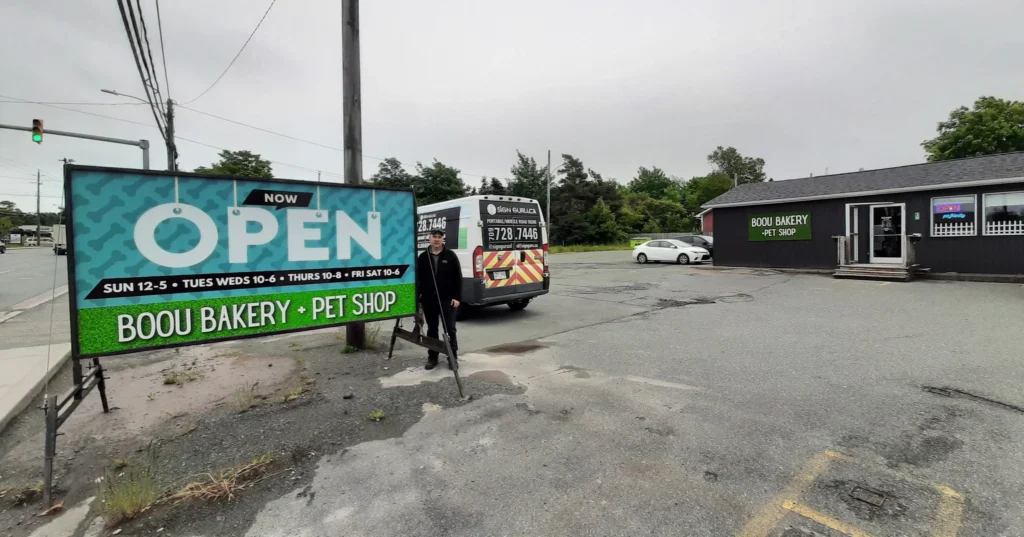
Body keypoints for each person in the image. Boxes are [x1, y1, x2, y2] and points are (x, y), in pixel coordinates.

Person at [416, 228, 462, 370]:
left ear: (443, 239)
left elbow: (458, 278)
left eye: (439, 237)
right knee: (432, 329)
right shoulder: (423, 257)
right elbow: (418, 279)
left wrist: (457, 297)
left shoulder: (450, 256)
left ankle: (452, 357)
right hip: (429, 300)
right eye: (434, 236)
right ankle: (433, 357)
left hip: (447, 300)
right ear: (429, 238)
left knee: (450, 329)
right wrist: (418, 298)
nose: (436, 239)